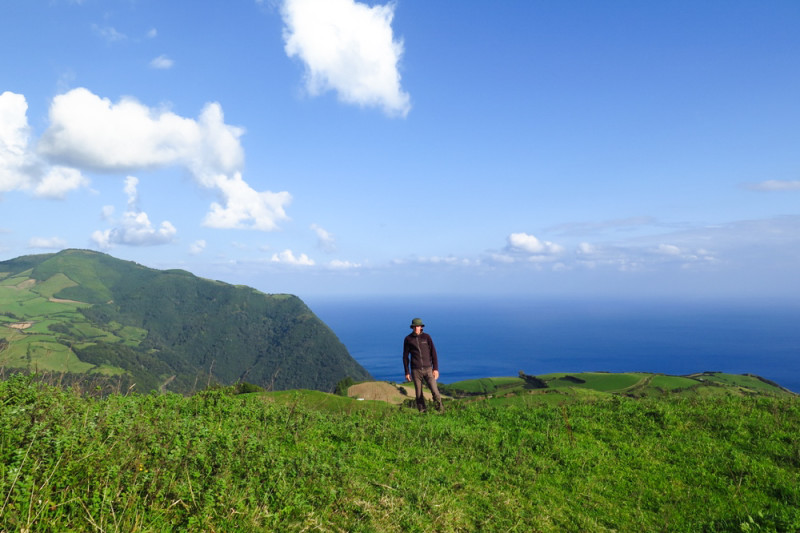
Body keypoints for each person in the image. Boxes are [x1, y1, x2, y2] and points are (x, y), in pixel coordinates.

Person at [403, 317, 444, 413]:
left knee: (435, 391)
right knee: (418, 394)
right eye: (415, 326)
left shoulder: (427, 337)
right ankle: (423, 413)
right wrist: (407, 372)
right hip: (415, 370)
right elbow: (405, 357)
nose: (417, 328)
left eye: (418, 326)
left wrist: (436, 369)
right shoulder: (408, 339)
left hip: (428, 369)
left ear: (421, 327)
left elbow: (433, 353)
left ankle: (440, 411)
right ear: (412, 327)